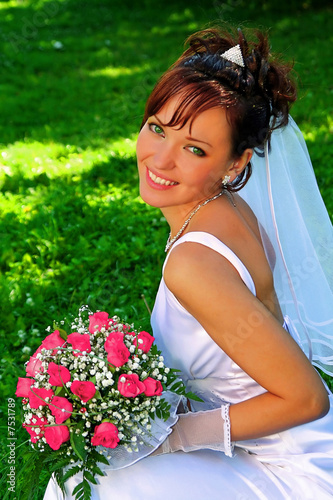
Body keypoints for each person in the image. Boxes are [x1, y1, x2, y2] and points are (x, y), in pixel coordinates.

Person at [44, 26, 333, 499]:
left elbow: (307, 397)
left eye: (194, 149)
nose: (161, 158)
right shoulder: (228, 210)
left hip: (293, 470)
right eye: (158, 127)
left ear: (235, 165)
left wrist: (172, 439)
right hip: (282, 445)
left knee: (92, 482)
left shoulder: (192, 264)